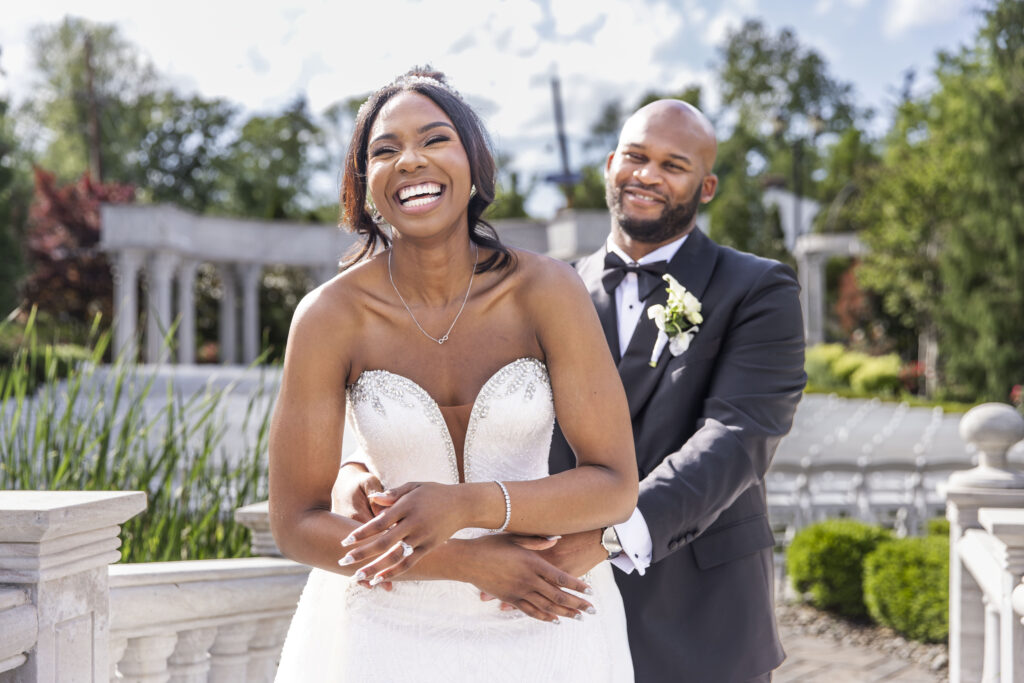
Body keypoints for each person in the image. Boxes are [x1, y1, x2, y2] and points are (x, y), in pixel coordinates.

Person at [336, 98, 807, 682]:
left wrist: (609, 535)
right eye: (635, 156)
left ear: (706, 186)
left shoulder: (758, 287)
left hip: (699, 609)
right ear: (610, 164)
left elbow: (738, 434)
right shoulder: (537, 287)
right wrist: (359, 463)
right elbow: (451, 401)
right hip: (545, 604)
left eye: (673, 164)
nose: (647, 174)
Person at [268, 68, 639, 682]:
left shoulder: (547, 289)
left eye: (435, 139)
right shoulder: (328, 318)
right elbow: (297, 523)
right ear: (364, 187)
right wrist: (465, 562)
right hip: (385, 630)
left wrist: (470, 504)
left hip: (547, 612)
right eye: (385, 150)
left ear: (475, 165)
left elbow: (614, 484)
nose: (410, 160)